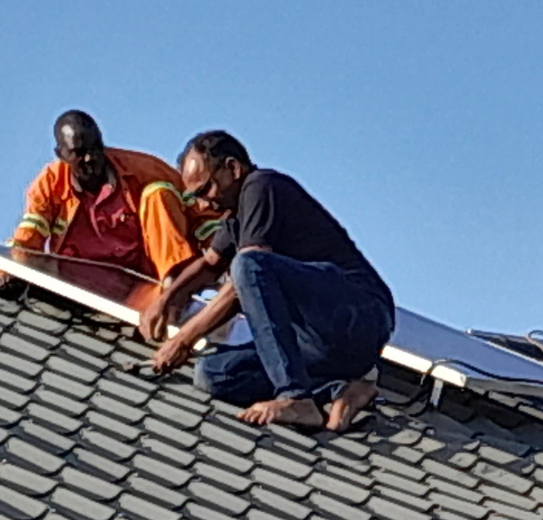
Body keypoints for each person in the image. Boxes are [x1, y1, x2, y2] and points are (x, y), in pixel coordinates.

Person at [142, 131, 393, 432]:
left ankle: (295, 397)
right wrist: (165, 300)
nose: (205, 204)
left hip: (358, 315)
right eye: (195, 196)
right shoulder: (235, 218)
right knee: (212, 374)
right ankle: (340, 389)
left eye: (206, 189)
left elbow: (245, 281)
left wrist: (184, 339)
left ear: (233, 168)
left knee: (248, 265)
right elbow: (210, 265)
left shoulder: (262, 187)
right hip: (315, 342)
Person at [10, 111, 202, 289]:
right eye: (79, 152)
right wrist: (4, 273)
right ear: (61, 154)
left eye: (96, 148)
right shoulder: (50, 183)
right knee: (28, 261)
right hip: (80, 281)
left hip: (146, 281)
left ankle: (174, 287)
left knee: (159, 193)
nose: (90, 158)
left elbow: (200, 211)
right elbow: (28, 238)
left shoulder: (147, 170)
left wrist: (218, 257)